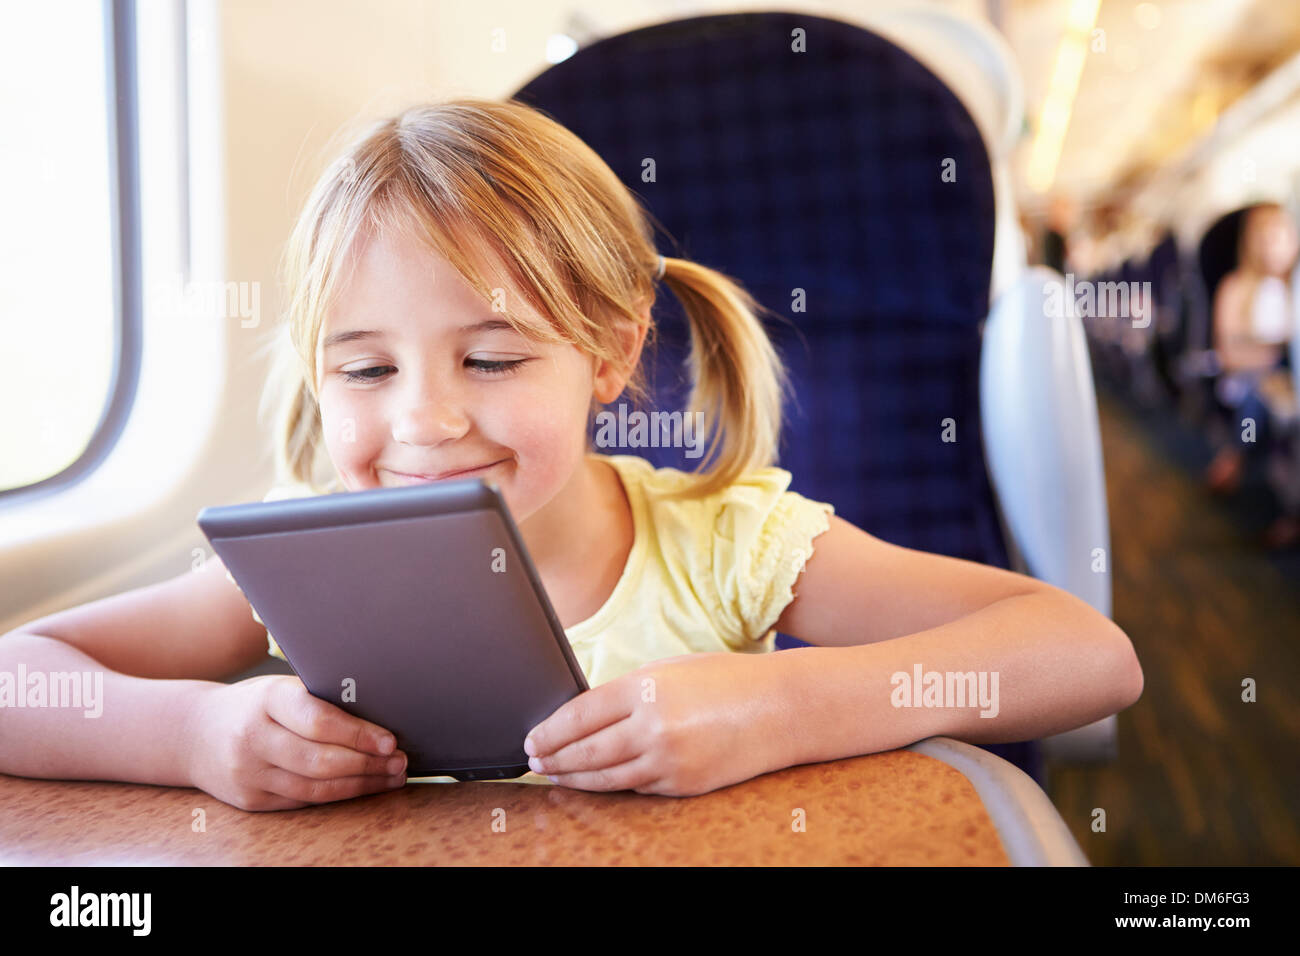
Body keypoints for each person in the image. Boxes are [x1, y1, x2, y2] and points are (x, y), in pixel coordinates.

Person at [0, 99, 1143, 810]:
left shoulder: (725, 543)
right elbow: (19, 677)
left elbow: (1081, 651)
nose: (425, 421)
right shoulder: (307, 564)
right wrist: (195, 734)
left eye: (489, 361)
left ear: (606, 355)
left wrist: (784, 702)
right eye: (365, 369)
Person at [1202, 203, 1299, 545]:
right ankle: (1240, 456)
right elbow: (1229, 354)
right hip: (1247, 381)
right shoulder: (1236, 287)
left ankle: (1234, 457)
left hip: (1280, 381)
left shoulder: (1292, 289)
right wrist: (1274, 354)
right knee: (1259, 397)